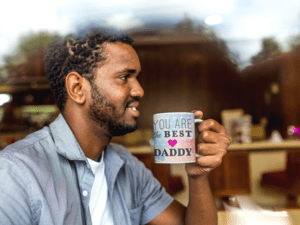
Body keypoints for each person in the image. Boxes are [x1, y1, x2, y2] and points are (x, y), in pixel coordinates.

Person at [0, 31, 230, 225]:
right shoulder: (15, 172)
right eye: (124, 77)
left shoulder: (126, 166)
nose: (139, 90)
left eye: (137, 78)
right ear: (78, 88)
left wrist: (197, 174)